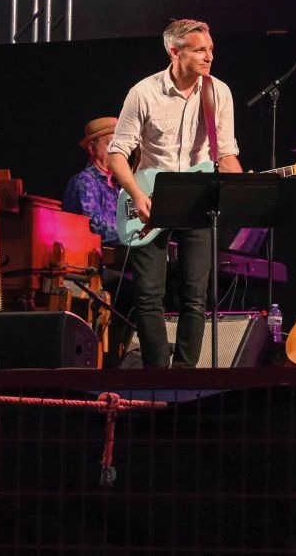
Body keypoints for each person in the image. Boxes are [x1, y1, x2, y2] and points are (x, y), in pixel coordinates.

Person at [107, 19, 240, 369]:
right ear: (175, 52)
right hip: (151, 196)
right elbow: (117, 153)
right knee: (149, 295)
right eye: (200, 50)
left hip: (196, 197)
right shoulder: (144, 92)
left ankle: (184, 372)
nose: (209, 56)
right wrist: (137, 195)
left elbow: (226, 154)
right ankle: (156, 374)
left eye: (211, 49)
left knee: (195, 295)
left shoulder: (218, 92)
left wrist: (243, 188)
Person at [64, 116, 123, 244]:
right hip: (87, 256)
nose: (119, 151)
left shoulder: (116, 186)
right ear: (92, 148)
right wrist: (134, 234)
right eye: (112, 144)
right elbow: (94, 225)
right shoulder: (83, 182)